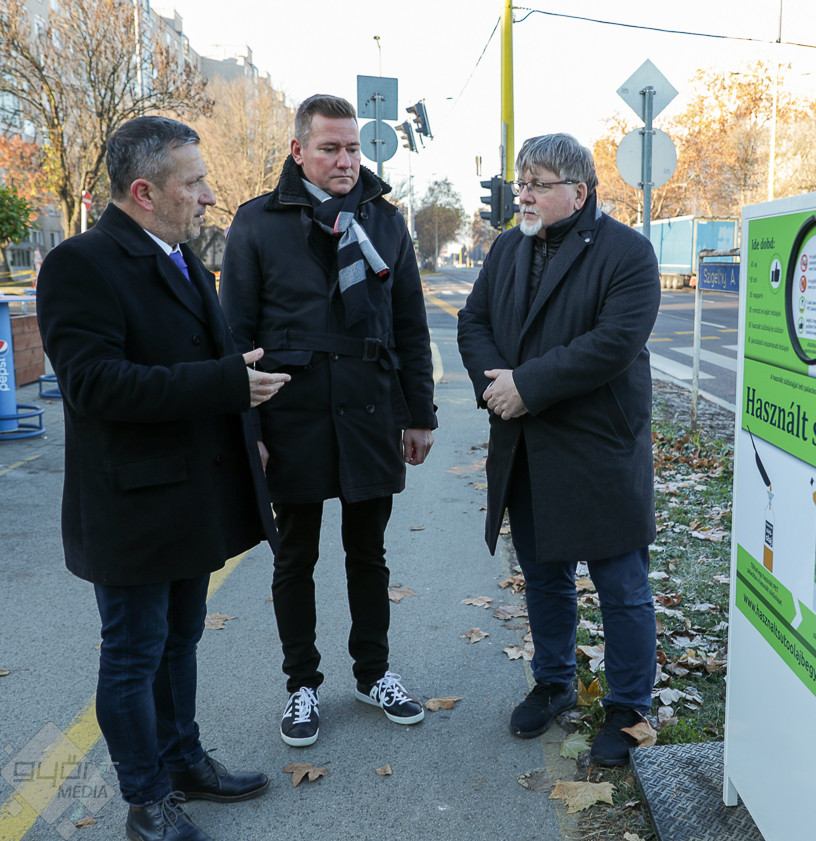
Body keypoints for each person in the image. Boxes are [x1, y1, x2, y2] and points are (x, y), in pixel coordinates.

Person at [36, 116, 289, 841]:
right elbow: (94, 384)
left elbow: (208, 360)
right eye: (195, 182)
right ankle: (146, 802)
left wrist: (248, 430)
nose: (208, 196)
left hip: (186, 494)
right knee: (133, 654)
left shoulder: (179, 255)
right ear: (144, 191)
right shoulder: (81, 264)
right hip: (133, 503)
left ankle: (183, 762)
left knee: (179, 639)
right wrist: (225, 384)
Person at [220, 94, 437, 748]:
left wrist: (419, 415)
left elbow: (410, 325)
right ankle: (302, 684)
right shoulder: (256, 222)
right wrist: (248, 433)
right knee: (296, 556)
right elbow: (235, 336)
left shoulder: (386, 221)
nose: (346, 161)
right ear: (299, 151)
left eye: (353, 148)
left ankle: (374, 673)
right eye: (330, 148)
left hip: (370, 410)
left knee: (368, 553)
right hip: (291, 415)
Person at [457, 133, 661, 766]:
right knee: (544, 578)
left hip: (598, 449)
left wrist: (527, 386)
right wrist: (498, 387)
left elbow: (614, 342)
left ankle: (629, 707)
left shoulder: (627, 252)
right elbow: (473, 322)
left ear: (579, 191)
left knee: (620, 585)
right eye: (521, 183)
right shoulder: (507, 248)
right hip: (525, 444)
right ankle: (553, 682)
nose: (523, 195)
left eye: (538, 185)